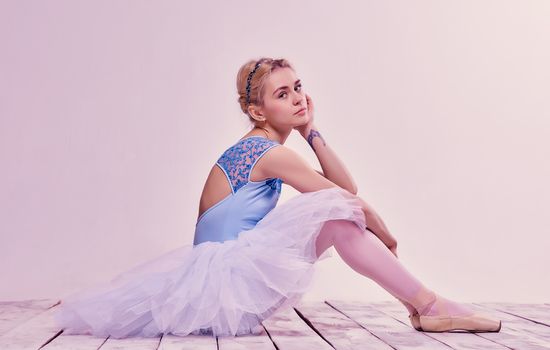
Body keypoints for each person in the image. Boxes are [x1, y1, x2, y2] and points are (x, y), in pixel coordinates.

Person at [53, 57, 501, 338]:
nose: (298, 97)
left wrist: (311, 132)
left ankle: (422, 307)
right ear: (257, 111)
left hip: (229, 282)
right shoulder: (266, 153)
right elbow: (348, 201)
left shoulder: (269, 148)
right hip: (230, 285)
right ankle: (428, 305)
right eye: (282, 94)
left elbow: (346, 190)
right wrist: (385, 231)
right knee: (339, 216)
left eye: (299, 87)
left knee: (336, 211)